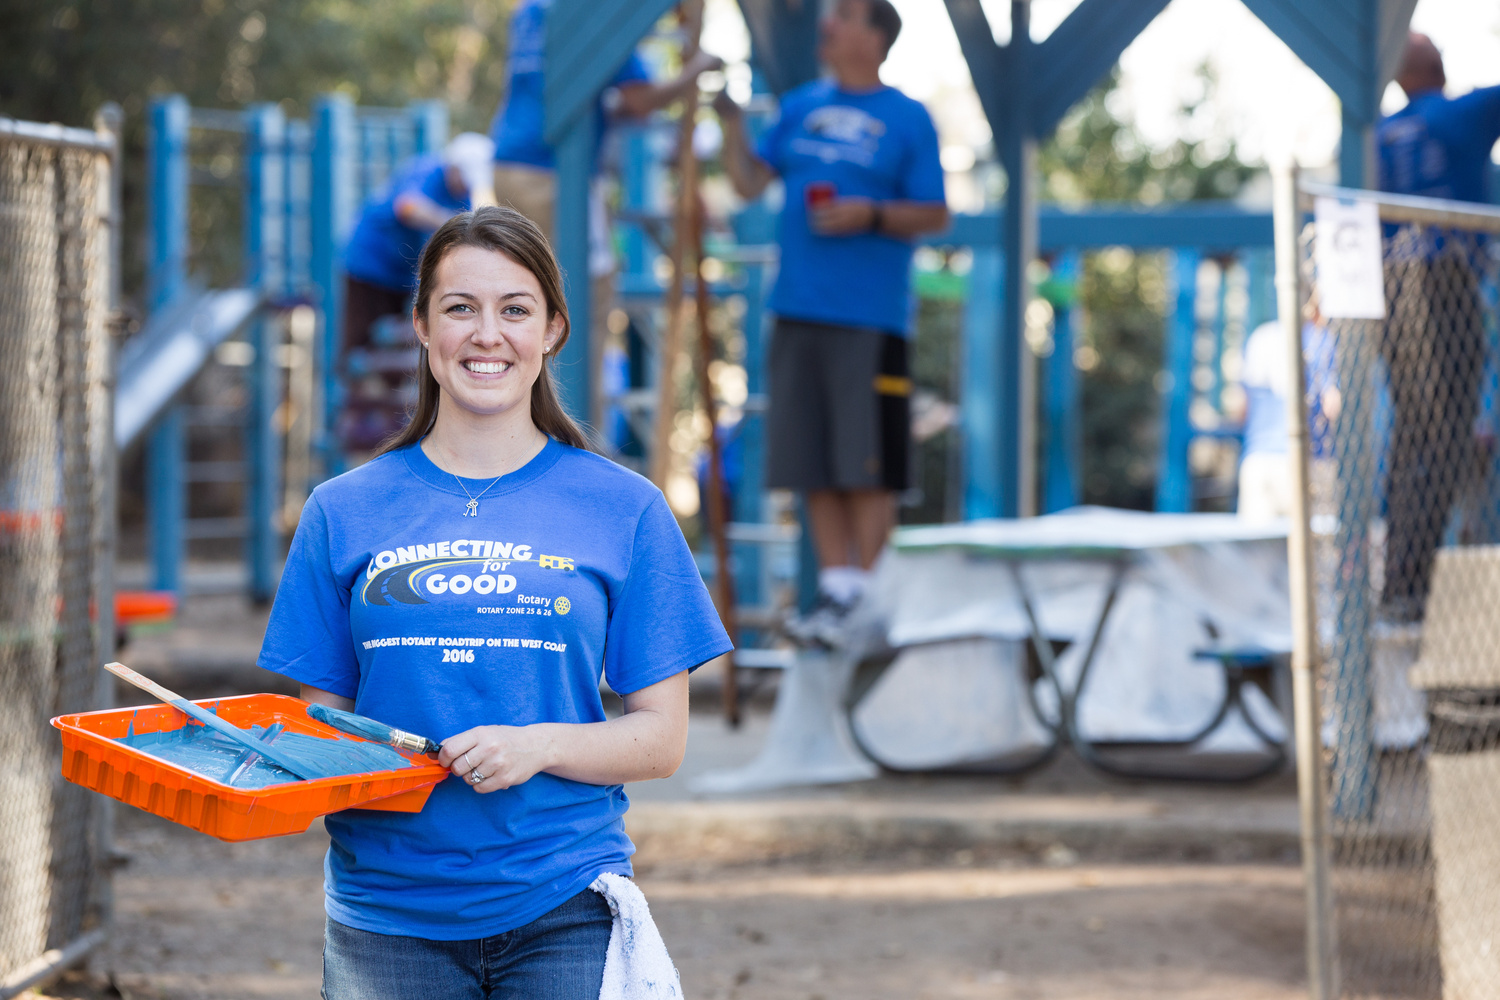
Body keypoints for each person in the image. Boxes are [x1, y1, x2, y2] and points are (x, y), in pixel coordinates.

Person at [258, 206, 732, 999]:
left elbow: (662, 740)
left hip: (564, 903)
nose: (488, 335)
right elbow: (324, 726)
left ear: (552, 331)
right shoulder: (342, 509)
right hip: (386, 915)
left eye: (514, 310)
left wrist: (536, 746)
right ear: (420, 326)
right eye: (459, 308)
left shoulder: (625, 507)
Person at [715, 0, 948, 642]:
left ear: (876, 37)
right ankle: (838, 593)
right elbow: (744, 184)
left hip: (871, 319)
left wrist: (868, 215)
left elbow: (935, 214)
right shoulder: (797, 108)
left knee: (868, 462)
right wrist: (730, 123)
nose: (827, 22)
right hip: (795, 310)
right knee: (810, 456)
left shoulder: (907, 117)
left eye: (844, 14)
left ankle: (873, 601)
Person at [488, 0, 722, 430]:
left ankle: (544, 422)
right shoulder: (599, 14)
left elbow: (570, 91)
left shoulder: (536, 10)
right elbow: (639, 101)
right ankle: (569, 426)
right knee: (581, 301)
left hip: (513, 159)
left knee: (540, 296)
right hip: (557, 171)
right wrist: (695, 71)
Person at [1374, 33, 1500, 620]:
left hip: (1392, 291)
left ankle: (1403, 577)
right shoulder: (1459, 115)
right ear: (1439, 67)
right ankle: (1414, 585)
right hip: (1444, 281)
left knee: (1412, 436)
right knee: (1445, 434)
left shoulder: (1378, 135)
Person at [338, 132, 495, 452]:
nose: (464, 185)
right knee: (361, 343)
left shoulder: (464, 196)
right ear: (453, 166)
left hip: (402, 275)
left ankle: (390, 416)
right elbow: (407, 207)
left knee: (401, 346)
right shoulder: (427, 171)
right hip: (370, 264)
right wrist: (447, 221)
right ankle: (354, 412)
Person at [1235, 313, 1338, 523]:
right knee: (1316, 546)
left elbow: (1240, 409)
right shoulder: (1321, 339)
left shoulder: (1259, 337)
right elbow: (1332, 405)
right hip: (1308, 461)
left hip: (1258, 459)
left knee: (1257, 550)